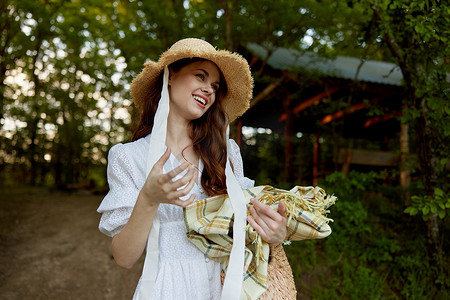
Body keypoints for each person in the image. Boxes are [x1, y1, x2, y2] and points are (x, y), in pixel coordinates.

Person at [97, 38, 287, 300]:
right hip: (166, 289)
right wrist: (149, 199)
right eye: (200, 76)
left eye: (214, 86)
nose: (208, 89)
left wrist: (277, 234)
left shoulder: (225, 153)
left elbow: (249, 229)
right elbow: (124, 258)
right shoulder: (128, 157)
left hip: (225, 287)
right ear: (171, 75)